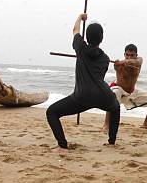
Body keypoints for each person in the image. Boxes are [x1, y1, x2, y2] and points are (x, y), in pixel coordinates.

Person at [46, 14, 120, 150]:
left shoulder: (80, 47)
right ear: (102, 38)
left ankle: (62, 145)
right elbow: (100, 75)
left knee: (51, 112)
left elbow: (75, 29)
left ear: (86, 37)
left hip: (82, 96)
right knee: (115, 108)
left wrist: (80, 17)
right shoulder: (105, 58)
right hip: (103, 94)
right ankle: (112, 142)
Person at [103, 44, 147, 130]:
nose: (129, 57)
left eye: (132, 55)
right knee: (114, 93)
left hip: (132, 91)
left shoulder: (139, 61)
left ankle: (146, 123)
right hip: (119, 89)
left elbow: (137, 62)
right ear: (124, 54)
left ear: (136, 55)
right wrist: (119, 64)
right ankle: (106, 124)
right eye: (127, 55)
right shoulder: (119, 65)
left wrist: (125, 61)